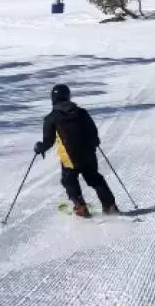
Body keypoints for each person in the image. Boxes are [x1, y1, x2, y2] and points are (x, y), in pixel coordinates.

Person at [34, 84, 120, 217]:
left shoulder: (51, 118)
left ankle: (80, 207)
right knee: (95, 178)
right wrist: (95, 141)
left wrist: (40, 147)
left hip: (70, 157)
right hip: (88, 154)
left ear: (53, 98)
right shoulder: (82, 112)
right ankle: (110, 206)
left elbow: (48, 140)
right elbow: (92, 130)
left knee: (69, 181)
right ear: (68, 96)